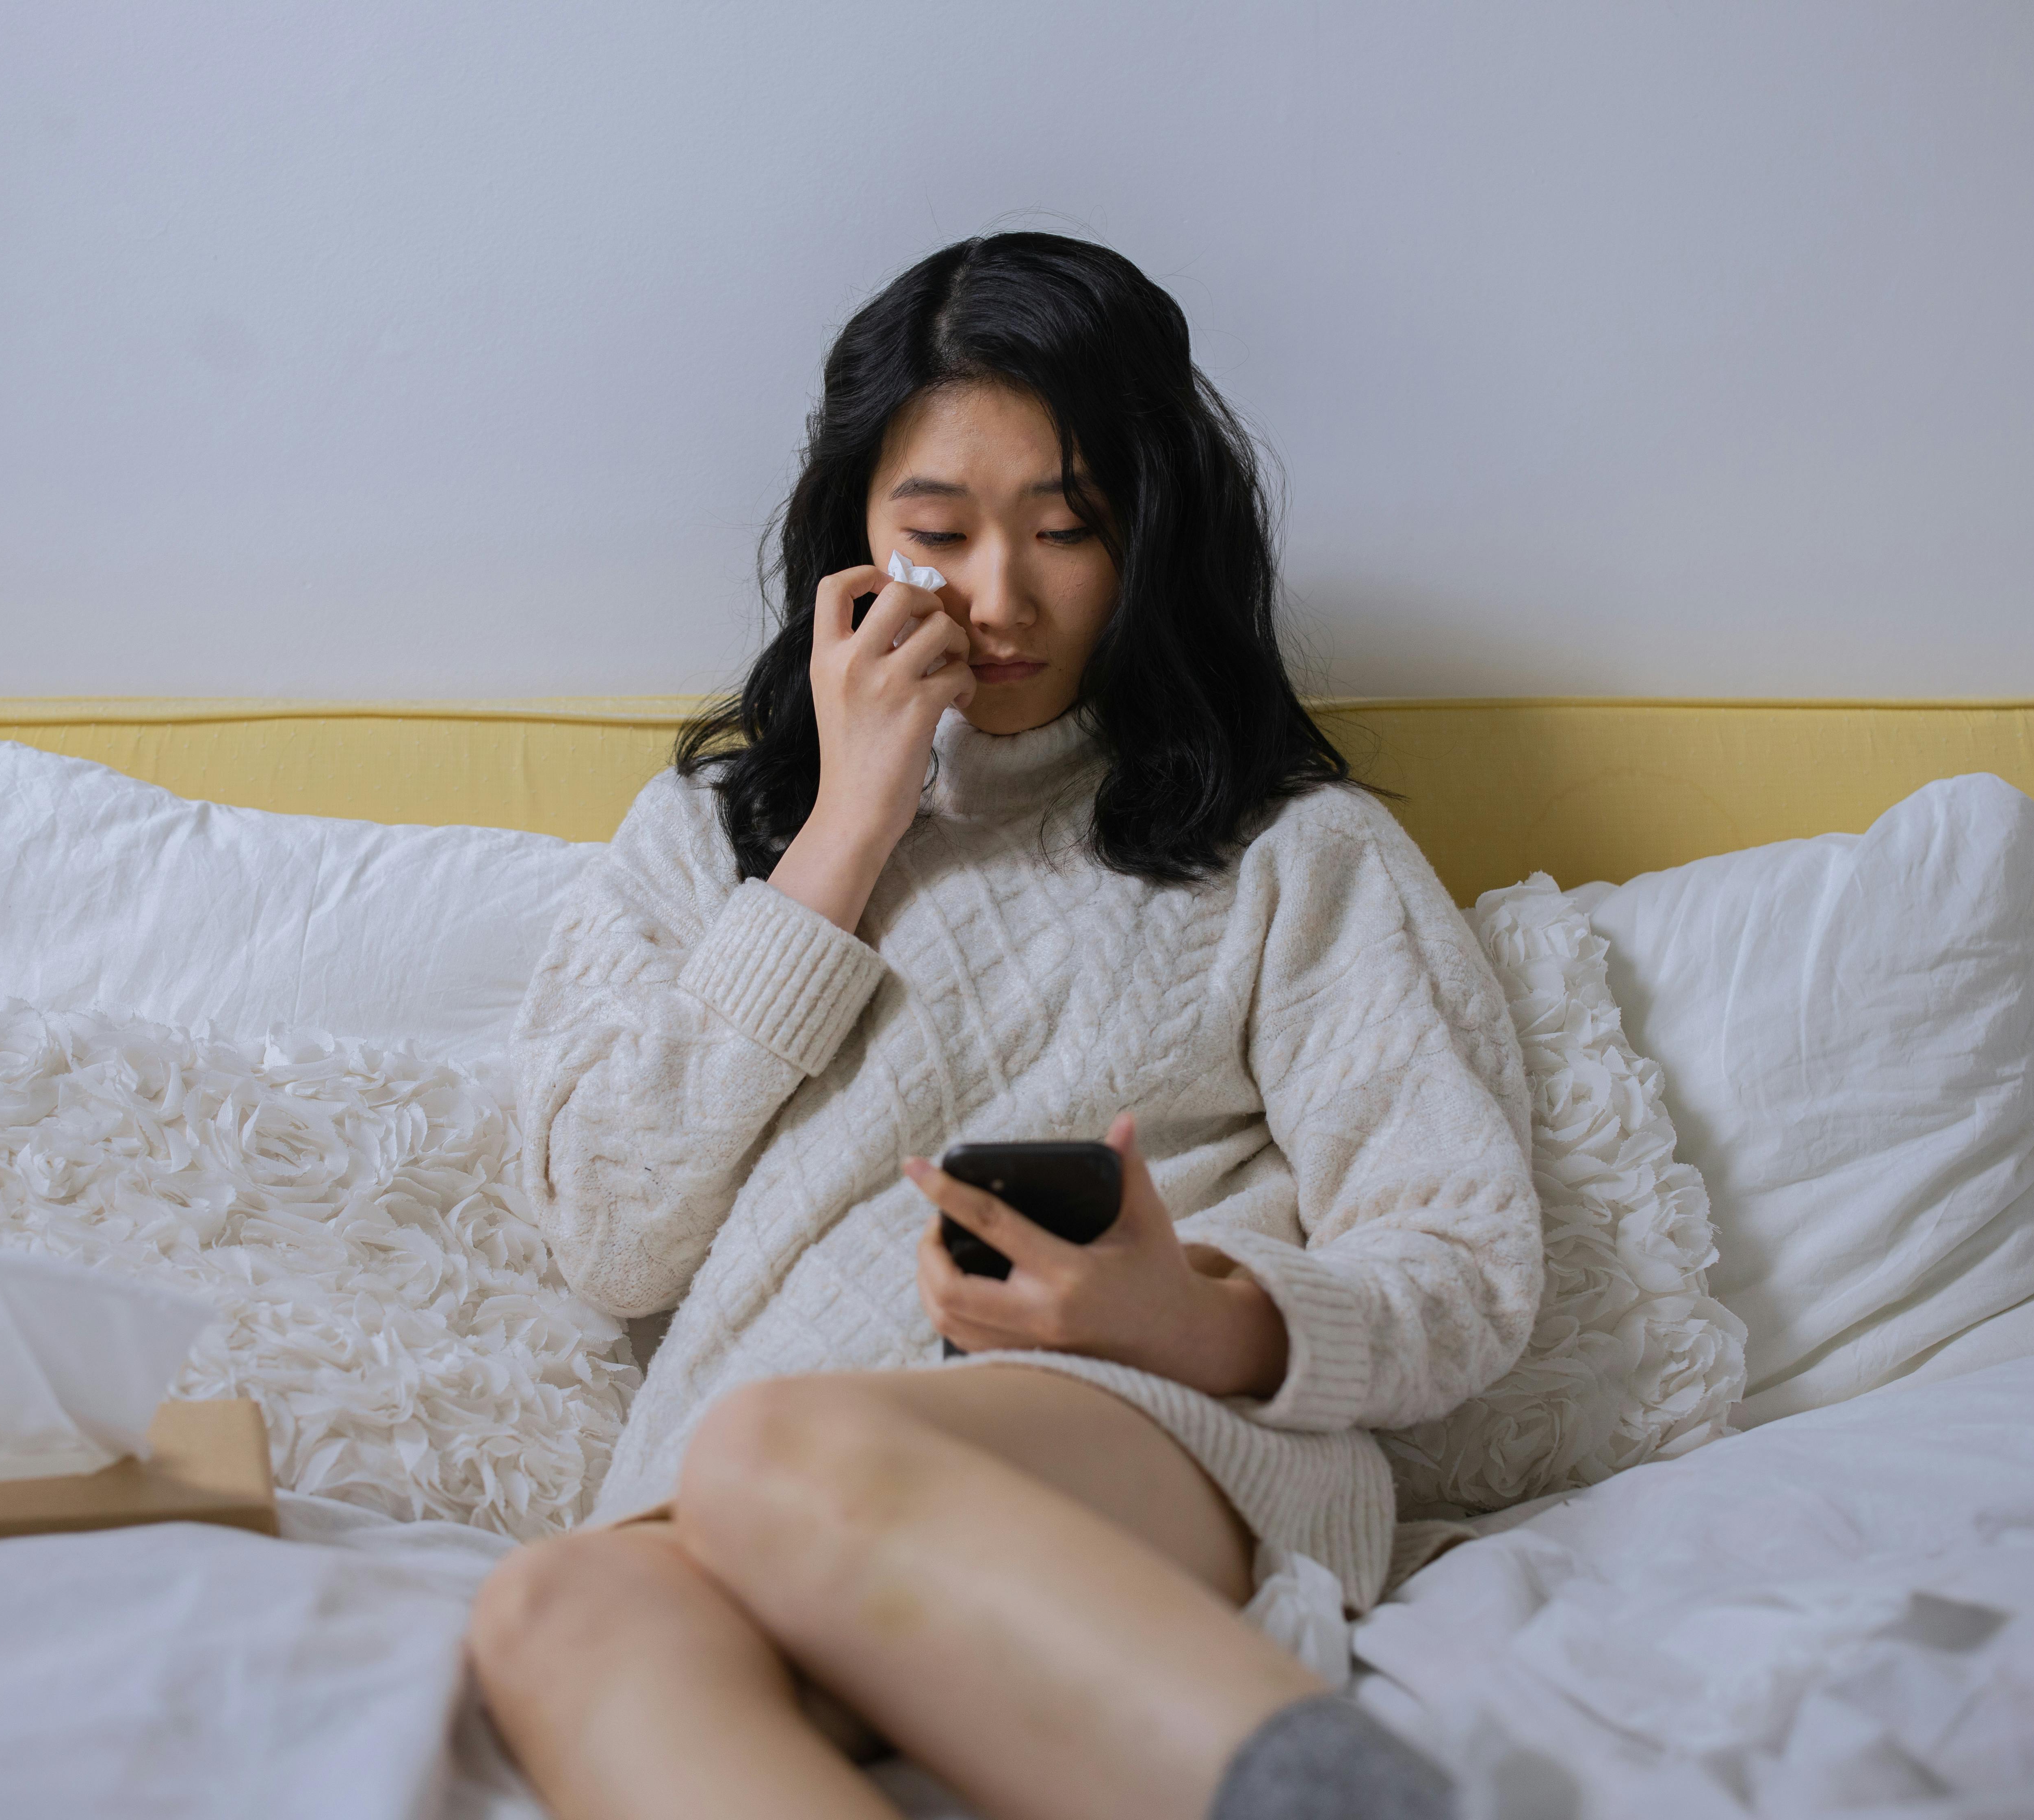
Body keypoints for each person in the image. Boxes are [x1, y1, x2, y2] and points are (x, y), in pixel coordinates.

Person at [470, 232, 1540, 1820]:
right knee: (549, 1606)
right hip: (746, 1472)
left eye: (1067, 531)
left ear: (1152, 541)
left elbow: (1468, 1264)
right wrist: (840, 834)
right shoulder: (710, 839)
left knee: (777, 1452)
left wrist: (1194, 1315)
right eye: (937, 533)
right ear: (851, 541)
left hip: (1150, 1428)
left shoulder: (1289, 851)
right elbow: (611, 1240)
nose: (998, 597)